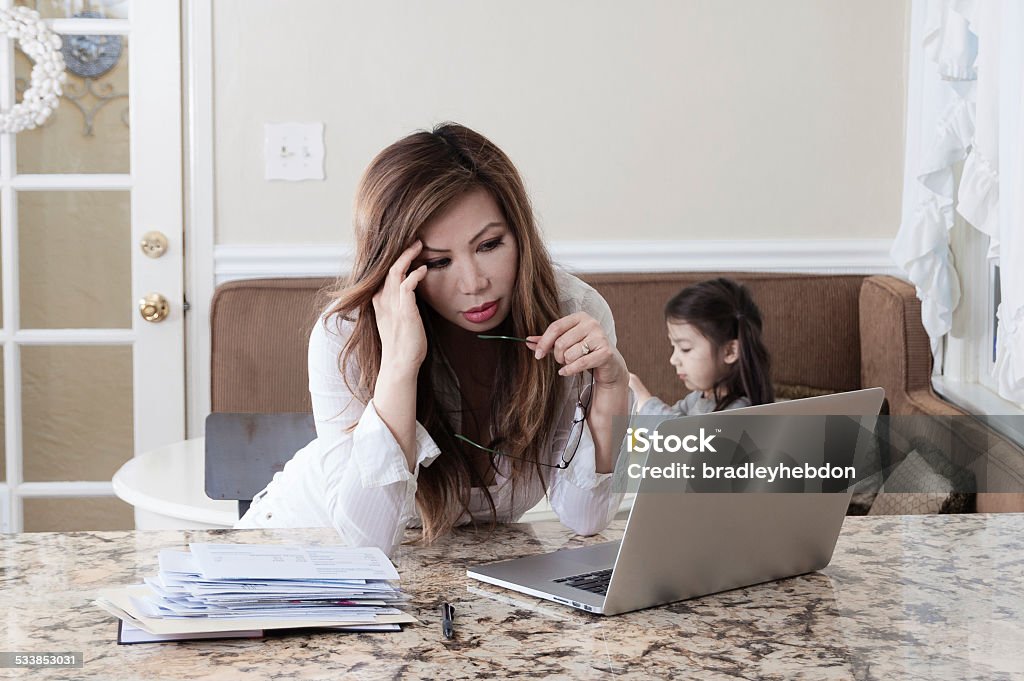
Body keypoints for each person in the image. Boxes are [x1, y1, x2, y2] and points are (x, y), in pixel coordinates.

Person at [237, 123, 633, 556]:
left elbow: (587, 518)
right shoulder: (347, 333)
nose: (474, 282)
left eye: (490, 244)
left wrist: (611, 393)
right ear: (397, 266)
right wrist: (399, 368)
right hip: (296, 551)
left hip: (440, 574)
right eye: (438, 261)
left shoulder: (574, 311)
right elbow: (366, 541)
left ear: (520, 233)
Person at [628, 278, 773, 417]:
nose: (673, 360)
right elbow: (668, 424)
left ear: (730, 351)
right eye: (674, 347)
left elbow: (687, 439)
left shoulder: (739, 412)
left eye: (685, 348)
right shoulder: (698, 398)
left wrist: (645, 403)